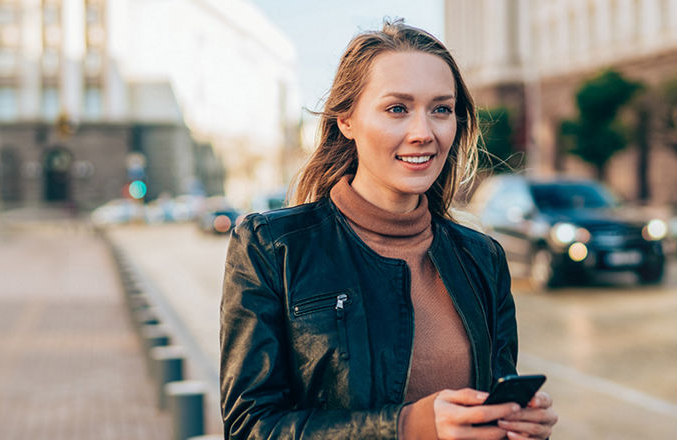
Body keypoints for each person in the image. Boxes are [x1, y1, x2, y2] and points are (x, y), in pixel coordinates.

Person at [220, 21, 558, 440]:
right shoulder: (272, 248)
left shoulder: (483, 257)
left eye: (441, 109)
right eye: (397, 109)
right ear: (346, 119)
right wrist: (407, 426)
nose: (423, 133)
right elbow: (251, 428)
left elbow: (492, 402)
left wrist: (515, 426)